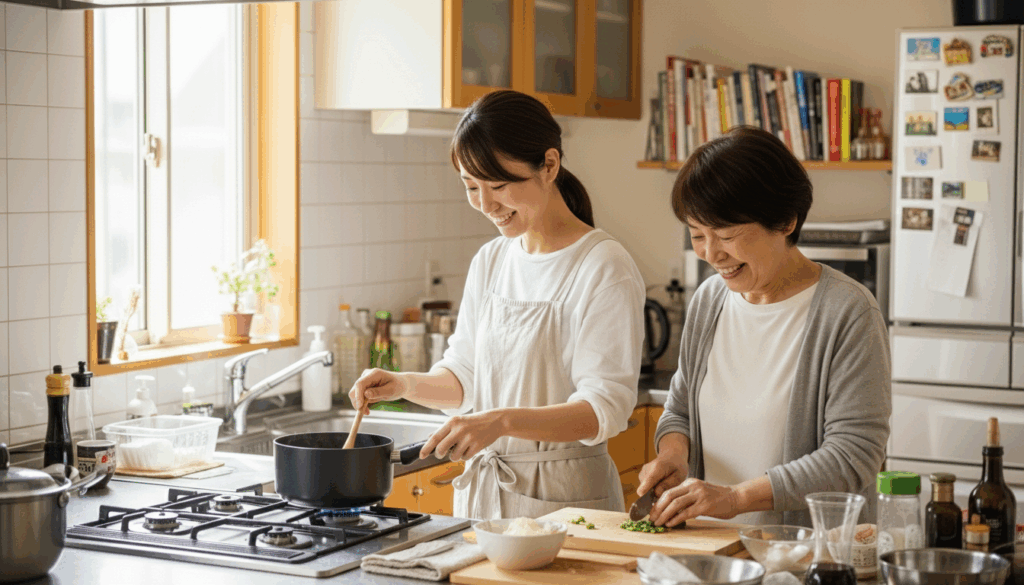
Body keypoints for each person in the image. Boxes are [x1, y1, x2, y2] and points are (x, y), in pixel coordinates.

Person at [349, 89, 645, 520]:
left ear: (549, 165)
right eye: (471, 187)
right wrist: (404, 384)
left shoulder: (603, 265)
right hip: (484, 501)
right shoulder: (492, 260)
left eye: (499, 186)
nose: (486, 205)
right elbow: (466, 376)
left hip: (567, 504)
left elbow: (603, 410)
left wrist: (502, 422)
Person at [637, 126, 891, 528]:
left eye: (726, 235)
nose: (711, 254)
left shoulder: (848, 312)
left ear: (786, 221)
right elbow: (679, 410)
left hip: (804, 559)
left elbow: (852, 456)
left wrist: (737, 499)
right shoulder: (709, 300)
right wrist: (672, 455)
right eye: (697, 235)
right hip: (712, 551)